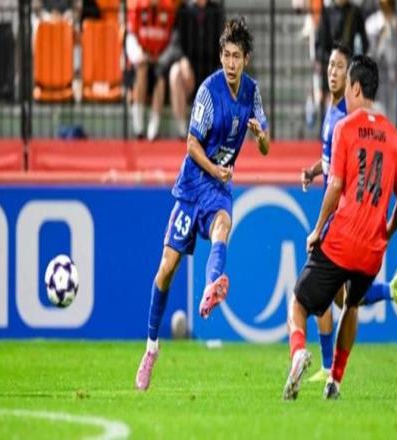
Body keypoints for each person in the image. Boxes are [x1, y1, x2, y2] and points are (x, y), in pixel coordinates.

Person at [135, 17, 270, 391]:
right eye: (226, 55)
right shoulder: (209, 92)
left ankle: (212, 286)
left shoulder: (252, 93)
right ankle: (151, 349)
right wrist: (216, 169)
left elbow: (265, 146)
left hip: (218, 189)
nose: (230, 63)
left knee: (224, 224)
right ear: (221, 55)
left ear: (246, 59)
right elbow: (191, 145)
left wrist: (260, 136)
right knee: (166, 269)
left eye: (237, 56)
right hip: (194, 185)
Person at [284, 54, 397, 400]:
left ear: (355, 88)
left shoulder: (345, 127)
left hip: (341, 241)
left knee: (298, 304)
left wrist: (317, 230)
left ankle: (298, 354)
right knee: (351, 304)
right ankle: (335, 381)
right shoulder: (394, 135)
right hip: (372, 251)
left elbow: (336, 186)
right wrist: (387, 233)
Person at [169, 0, 224, 138]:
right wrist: (183, 60)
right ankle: (183, 129)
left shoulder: (216, 11)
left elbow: (224, 43)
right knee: (175, 72)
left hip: (211, 70)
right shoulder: (183, 10)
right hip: (190, 73)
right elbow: (175, 43)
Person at [126, 0, 176, 140]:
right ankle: (138, 128)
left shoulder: (168, 9)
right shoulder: (136, 7)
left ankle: (153, 129)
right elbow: (130, 37)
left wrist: (161, 59)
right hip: (140, 60)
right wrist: (140, 56)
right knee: (141, 70)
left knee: (160, 79)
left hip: (159, 60)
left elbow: (172, 41)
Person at [315, 0, 369, 124]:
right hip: (332, 75)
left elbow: (364, 44)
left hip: (350, 75)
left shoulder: (355, 12)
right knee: (331, 118)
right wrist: (333, 62)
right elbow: (319, 47)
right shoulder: (327, 12)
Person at [365, 0, 397, 126]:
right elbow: (369, 55)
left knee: (393, 123)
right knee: (378, 122)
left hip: (396, 83)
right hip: (378, 83)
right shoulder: (372, 24)